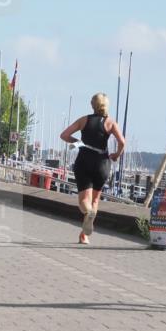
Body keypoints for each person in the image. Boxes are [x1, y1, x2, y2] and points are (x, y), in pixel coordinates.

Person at [60, 93, 125, 244]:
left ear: (92, 105)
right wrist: (116, 155)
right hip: (102, 163)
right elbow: (122, 142)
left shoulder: (84, 120)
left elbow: (64, 135)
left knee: (84, 200)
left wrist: (78, 141)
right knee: (95, 200)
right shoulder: (110, 122)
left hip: (84, 161)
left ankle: (88, 213)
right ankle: (84, 235)